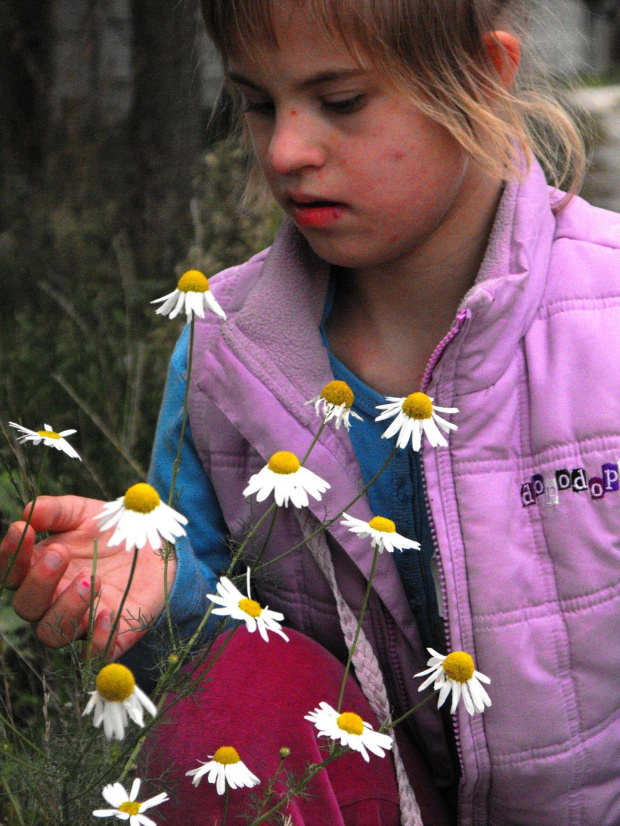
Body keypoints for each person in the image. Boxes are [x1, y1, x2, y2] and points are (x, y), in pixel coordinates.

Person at [3, 0, 620, 823]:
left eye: (342, 102)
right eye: (258, 103)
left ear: (481, 75)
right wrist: (150, 589)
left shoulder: (604, 324)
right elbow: (215, 683)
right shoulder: (226, 354)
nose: (286, 151)